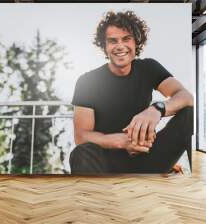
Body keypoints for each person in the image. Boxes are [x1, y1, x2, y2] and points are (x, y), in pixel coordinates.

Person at [69, 11, 194, 174]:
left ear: (136, 42)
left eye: (126, 39)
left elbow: (186, 96)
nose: (120, 46)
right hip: (108, 161)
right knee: (81, 153)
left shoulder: (149, 67)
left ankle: (194, 186)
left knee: (189, 114)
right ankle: (97, 198)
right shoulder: (87, 81)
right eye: (113, 41)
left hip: (147, 156)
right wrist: (122, 142)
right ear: (104, 46)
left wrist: (157, 109)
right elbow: (82, 136)